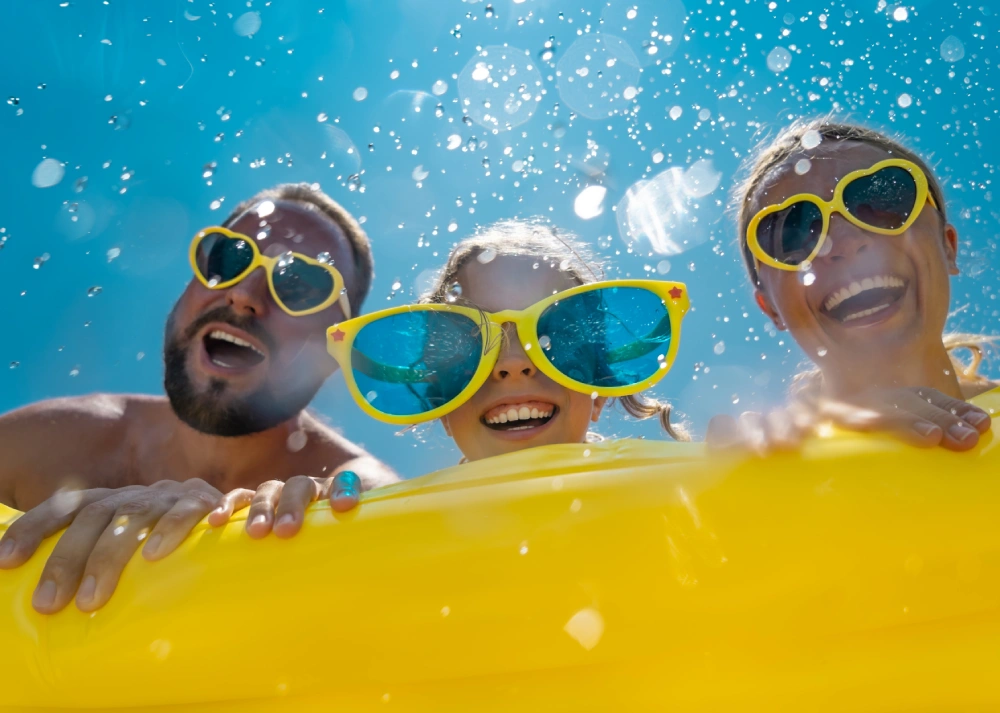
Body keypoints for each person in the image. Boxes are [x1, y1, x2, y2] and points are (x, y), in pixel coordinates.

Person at [0, 183, 399, 614]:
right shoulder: (43, 442)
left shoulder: (351, 489)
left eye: (300, 285)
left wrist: (334, 512)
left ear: (334, 349)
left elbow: (385, 513)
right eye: (228, 259)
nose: (244, 295)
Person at [710, 118, 995, 451]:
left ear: (947, 247)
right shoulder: (769, 460)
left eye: (881, 201)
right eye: (793, 233)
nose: (843, 242)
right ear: (771, 308)